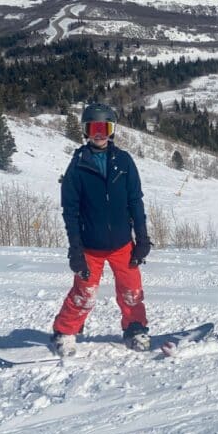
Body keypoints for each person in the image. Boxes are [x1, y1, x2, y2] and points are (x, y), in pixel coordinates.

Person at [51, 103, 152, 356]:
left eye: (104, 128)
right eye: (94, 129)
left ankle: (135, 327)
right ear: (85, 132)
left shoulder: (124, 162)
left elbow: (135, 201)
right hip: (90, 246)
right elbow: (70, 212)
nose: (99, 134)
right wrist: (75, 249)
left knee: (132, 291)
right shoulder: (77, 166)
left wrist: (142, 238)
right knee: (84, 293)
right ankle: (65, 331)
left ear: (112, 130)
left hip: (122, 243)